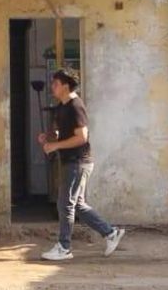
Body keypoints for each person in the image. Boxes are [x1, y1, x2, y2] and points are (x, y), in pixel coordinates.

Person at [39, 69, 125, 261]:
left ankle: (64, 247)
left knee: (65, 204)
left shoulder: (75, 106)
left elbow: (81, 137)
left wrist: (55, 146)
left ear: (65, 86)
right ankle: (110, 233)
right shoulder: (62, 107)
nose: (52, 87)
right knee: (77, 204)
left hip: (77, 162)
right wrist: (49, 138)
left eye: (55, 84)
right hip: (71, 161)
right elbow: (65, 134)